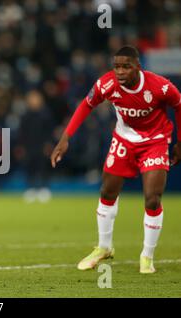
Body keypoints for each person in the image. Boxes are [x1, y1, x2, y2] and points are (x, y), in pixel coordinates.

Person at [50, 46, 181, 274]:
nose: (120, 71)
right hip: (124, 140)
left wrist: (180, 142)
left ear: (138, 67)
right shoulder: (107, 84)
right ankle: (104, 247)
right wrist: (65, 138)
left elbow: (179, 106)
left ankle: (147, 256)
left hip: (155, 141)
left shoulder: (160, 86)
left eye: (126, 67)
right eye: (117, 66)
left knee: (152, 199)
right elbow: (86, 105)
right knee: (107, 192)